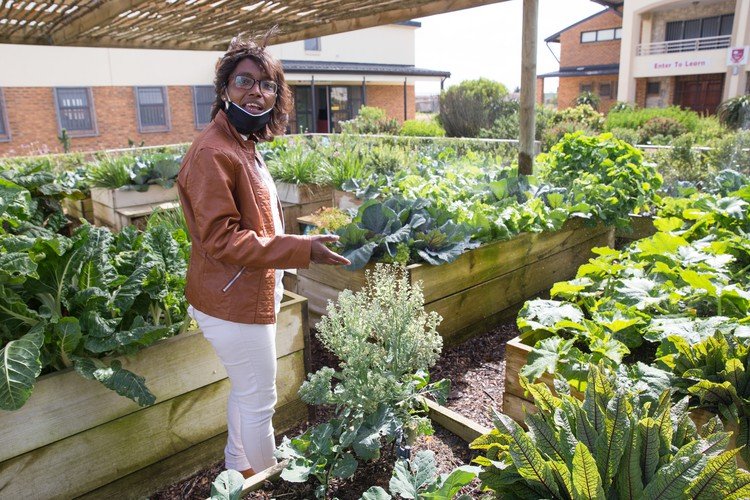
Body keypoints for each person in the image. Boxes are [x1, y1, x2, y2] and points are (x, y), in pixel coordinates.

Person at [177, 29, 350, 478]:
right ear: (224, 89)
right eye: (245, 81)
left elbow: (256, 221)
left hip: (248, 290)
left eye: (268, 84)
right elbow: (221, 239)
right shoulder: (213, 152)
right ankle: (270, 477)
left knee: (247, 391)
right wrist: (302, 249)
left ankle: (241, 470)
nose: (257, 92)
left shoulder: (242, 143)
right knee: (260, 399)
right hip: (233, 301)